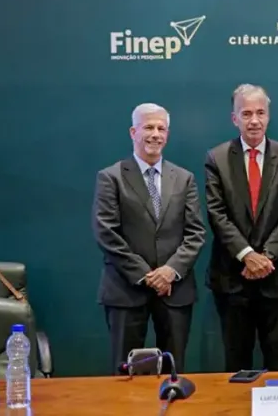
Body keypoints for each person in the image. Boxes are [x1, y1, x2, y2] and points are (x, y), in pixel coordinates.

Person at [92, 103, 205, 373]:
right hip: (126, 290)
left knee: (174, 371)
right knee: (124, 372)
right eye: (148, 127)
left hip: (175, 291)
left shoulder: (184, 178)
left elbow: (195, 233)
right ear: (133, 132)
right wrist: (146, 275)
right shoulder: (111, 177)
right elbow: (106, 232)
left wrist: (169, 272)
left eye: (161, 129)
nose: (155, 134)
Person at [205, 84, 278, 372]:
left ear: (268, 116)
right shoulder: (217, 158)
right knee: (236, 364)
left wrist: (266, 257)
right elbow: (217, 214)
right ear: (234, 118)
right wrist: (248, 255)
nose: (254, 120)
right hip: (233, 279)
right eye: (246, 113)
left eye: (260, 113)